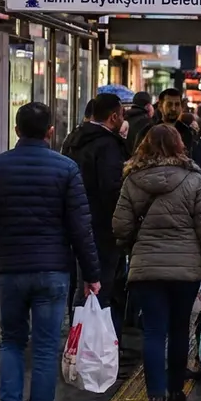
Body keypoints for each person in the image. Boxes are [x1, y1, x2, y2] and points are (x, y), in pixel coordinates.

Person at [0, 102, 102, 401]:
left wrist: (1, 247)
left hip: (11, 270)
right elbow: (80, 227)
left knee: (12, 342)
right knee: (44, 350)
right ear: (50, 132)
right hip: (54, 270)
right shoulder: (66, 168)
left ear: (16, 131)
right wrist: (92, 274)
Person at [113, 125, 201, 401]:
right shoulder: (193, 179)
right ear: (179, 146)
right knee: (179, 330)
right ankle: (176, 390)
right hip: (185, 270)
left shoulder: (132, 180)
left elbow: (120, 226)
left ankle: (155, 397)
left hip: (146, 268)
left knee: (153, 331)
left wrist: (131, 247)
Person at [66, 94, 128, 324]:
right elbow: (112, 189)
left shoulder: (74, 139)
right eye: (121, 115)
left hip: (75, 222)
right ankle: (93, 342)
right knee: (100, 285)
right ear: (113, 117)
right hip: (102, 227)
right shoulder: (108, 145)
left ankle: (78, 333)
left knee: (81, 284)